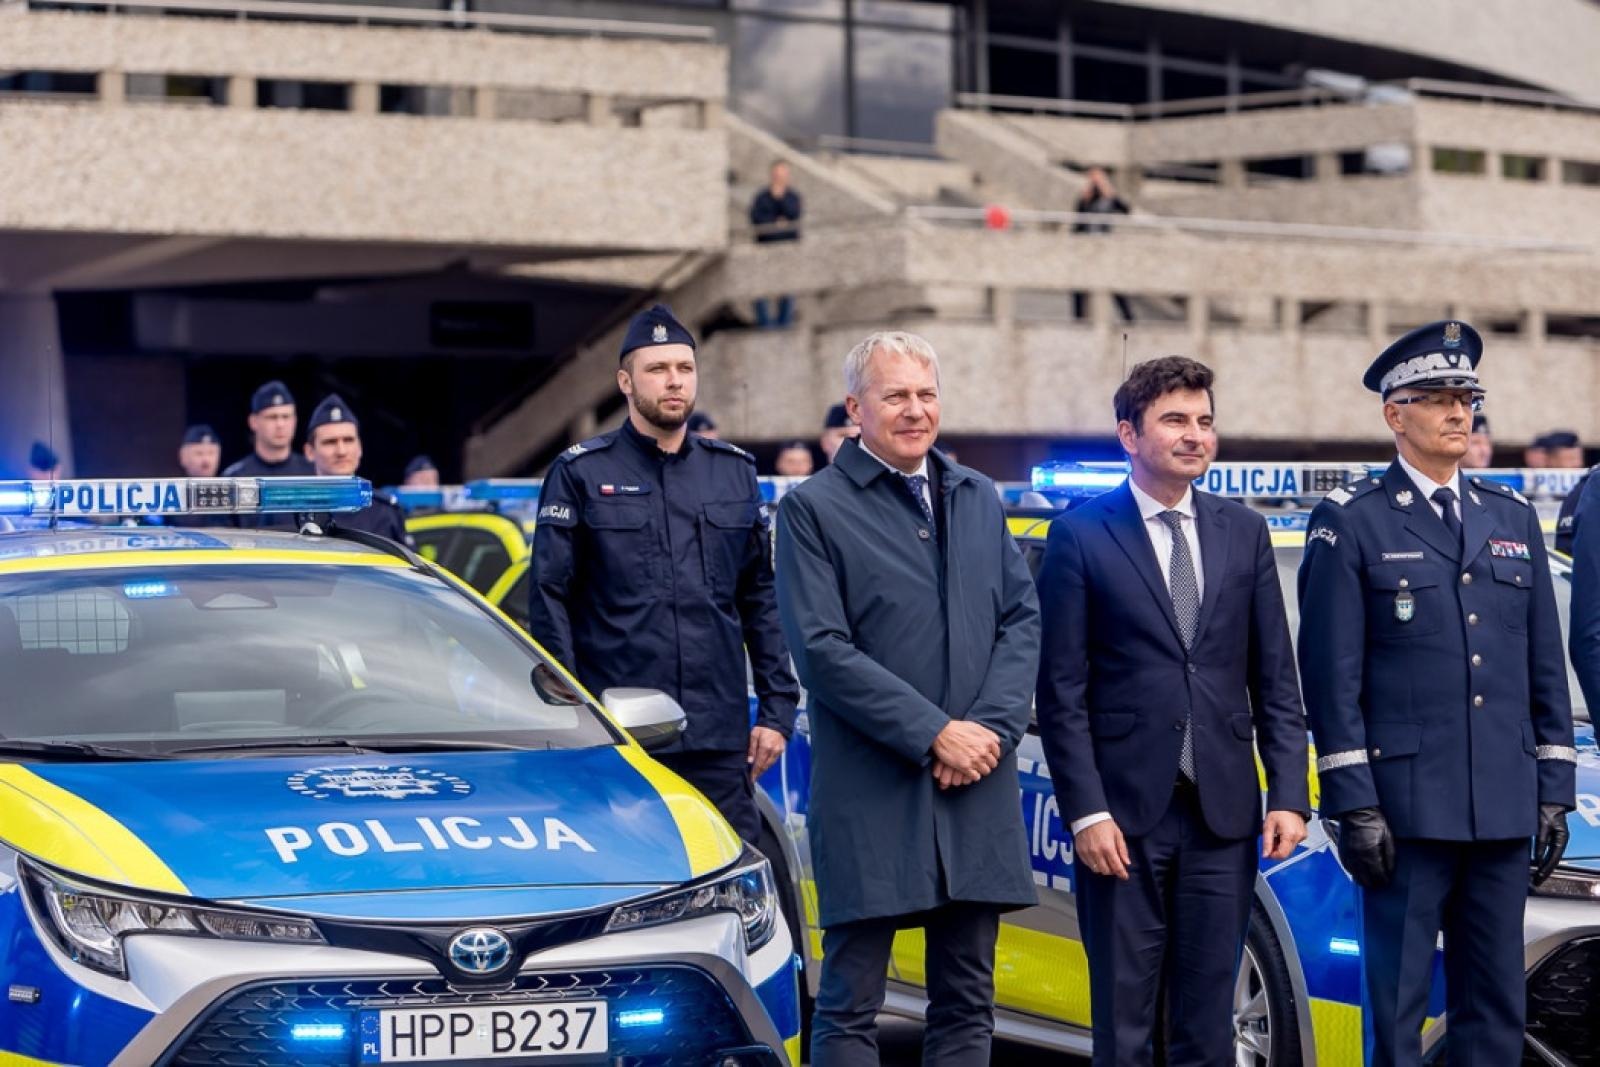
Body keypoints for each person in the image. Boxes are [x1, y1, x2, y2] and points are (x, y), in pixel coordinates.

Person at [1297, 320, 1574, 1067]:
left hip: (1501, 805)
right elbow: (1331, 676)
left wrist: (1554, 789)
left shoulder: (1510, 516)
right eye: (1440, 399)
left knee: (1495, 1008)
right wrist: (1353, 801)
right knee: (1397, 1010)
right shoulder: (1351, 520)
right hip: (1406, 811)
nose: (1460, 413)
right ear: (1396, 414)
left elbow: (1543, 666)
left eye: (1467, 399)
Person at [1034, 356, 1309, 1067]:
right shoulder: (1080, 535)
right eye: (1176, 420)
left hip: (1224, 816)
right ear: (1129, 434)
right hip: (1123, 820)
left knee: (1208, 1025)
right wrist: (1087, 813)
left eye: (1205, 421)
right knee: (1124, 1024)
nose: (1196, 435)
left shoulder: (1243, 532)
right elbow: (1060, 692)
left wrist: (1287, 792)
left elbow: (1274, 677)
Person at [774, 330, 1040, 1067]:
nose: (916, 410)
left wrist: (986, 731)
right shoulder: (813, 510)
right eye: (896, 396)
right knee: (850, 1003)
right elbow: (821, 651)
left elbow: (1021, 619)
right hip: (873, 791)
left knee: (968, 1003)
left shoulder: (976, 496)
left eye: (927, 394)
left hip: (974, 787)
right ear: (855, 408)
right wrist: (934, 733)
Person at [528, 304, 798, 844]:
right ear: (625, 382)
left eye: (684, 368)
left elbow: (760, 599)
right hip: (620, 736)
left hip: (718, 735)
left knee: (737, 869)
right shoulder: (582, 472)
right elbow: (549, 597)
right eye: (657, 369)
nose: (674, 381)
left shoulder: (733, 472)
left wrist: (776, 710)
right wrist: (574, 716)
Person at [303, 394, 411, 546]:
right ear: (309, 452)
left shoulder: (384, 511)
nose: (341, 451)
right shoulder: (292, 509)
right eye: (330, 442)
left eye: (348, 440)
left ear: (360, 447)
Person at [1072, 167, 1133, 322]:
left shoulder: (1109, 198)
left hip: (1104, 247)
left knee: (1113, 282)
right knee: (1079, 283)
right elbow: (1077, 222)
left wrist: (1109, 191)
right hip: (1086, 246)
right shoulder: (1086, 198)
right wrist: (1085, 196)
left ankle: (1128, 317)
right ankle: (1078, 318)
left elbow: (1126, 210)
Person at [750, 159, 802, 328]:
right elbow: (758, 220)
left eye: (783, 174)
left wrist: (779, 199)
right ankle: (765, 325)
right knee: (760, 288)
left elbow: (794, 220)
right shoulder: (762, 197)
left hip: (787, 249)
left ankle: (784, 323)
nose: (780, 177)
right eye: (777, 174)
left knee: (787, 289)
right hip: (765, 249)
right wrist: (778, 224)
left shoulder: (792, 197)